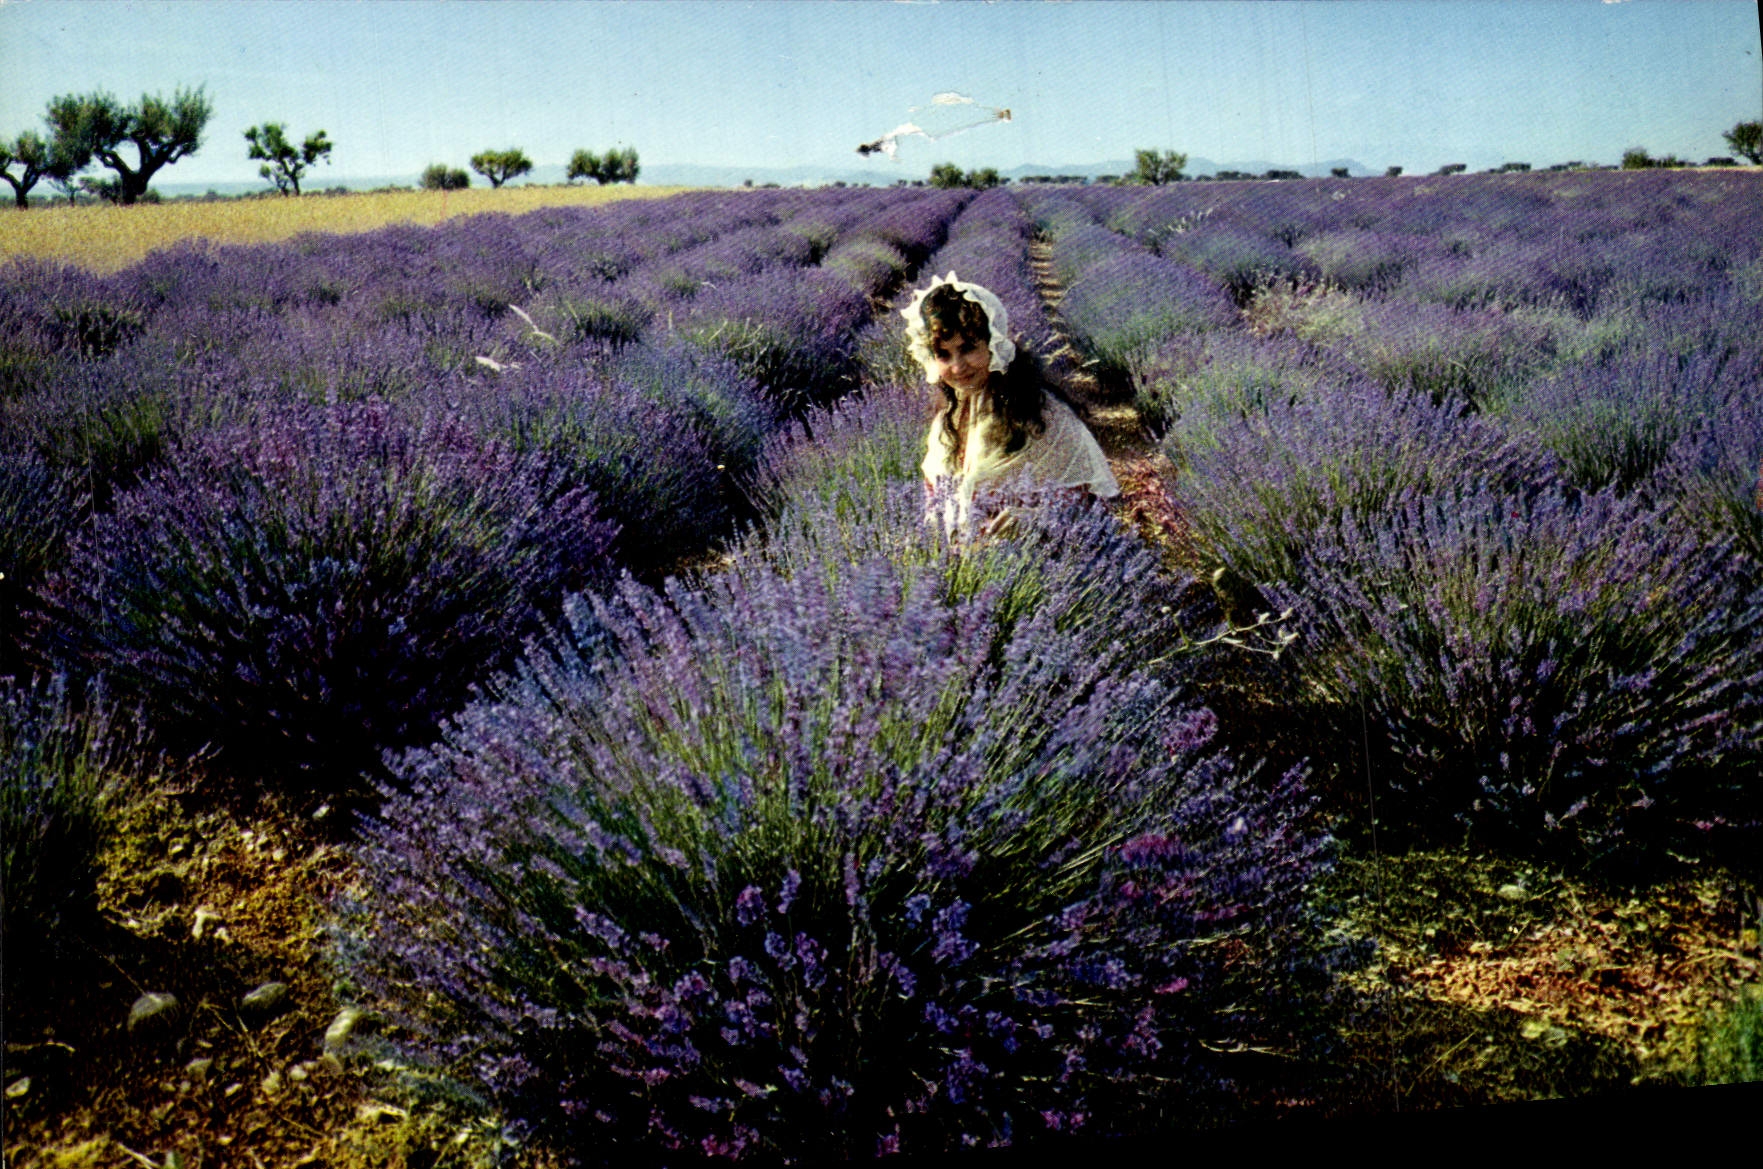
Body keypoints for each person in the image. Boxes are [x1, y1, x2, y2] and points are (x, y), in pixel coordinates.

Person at [902, 272, 1118, 532]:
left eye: (968, 349)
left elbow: (1084, 502)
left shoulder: (1039, 414)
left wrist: (1034, 519)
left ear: (993, 344)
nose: (957, 367)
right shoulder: (948, 419)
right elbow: (935, 500)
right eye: (944, 355)